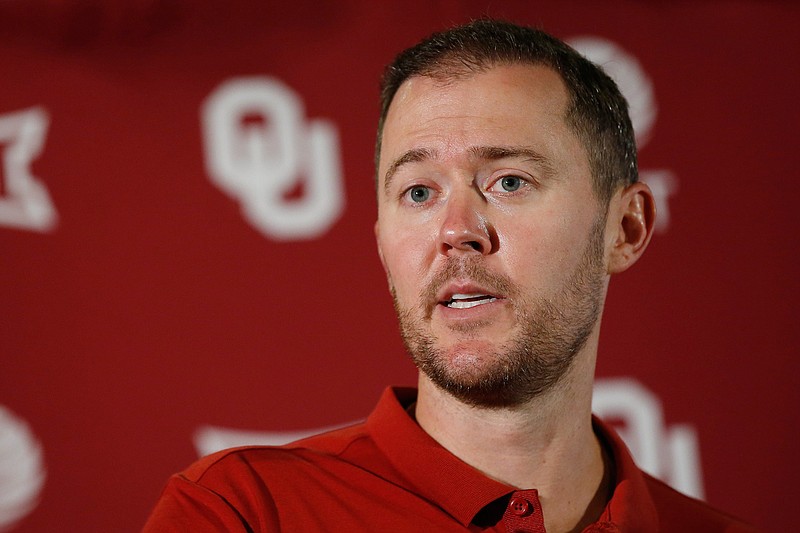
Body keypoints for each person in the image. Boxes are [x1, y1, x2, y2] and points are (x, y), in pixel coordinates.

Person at [143, 19, 756, 532]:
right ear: (383, 243)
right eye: (418, 192)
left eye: (508, 181)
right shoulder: (241, 512)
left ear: (624, 228)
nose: (456, 229)